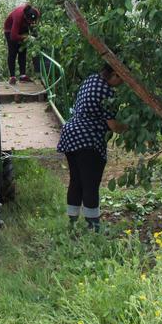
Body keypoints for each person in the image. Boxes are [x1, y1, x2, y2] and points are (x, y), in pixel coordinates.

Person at [57, 63, 127, 231]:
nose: (123, 83)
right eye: (122, 78)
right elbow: (113, 126)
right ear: (115, 74)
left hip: (70, 133)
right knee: (90, 183)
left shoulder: (91, 79)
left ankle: (72, 223)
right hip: (88, 139)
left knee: (76, 181)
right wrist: (131, 127)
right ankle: (93, 226)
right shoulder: (107, 92)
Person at [3, 3, 41, 84]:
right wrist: (26, 37)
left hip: (23, 28)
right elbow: (13, 36)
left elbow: (34, 25)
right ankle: (12, 77)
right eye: (29, 21)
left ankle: (22, 76)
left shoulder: (35, 13)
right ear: (25, 16)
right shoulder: (18, 16)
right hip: (10, 30)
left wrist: (34, 36)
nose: (31, 23)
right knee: (13, 52)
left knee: (22, 51)